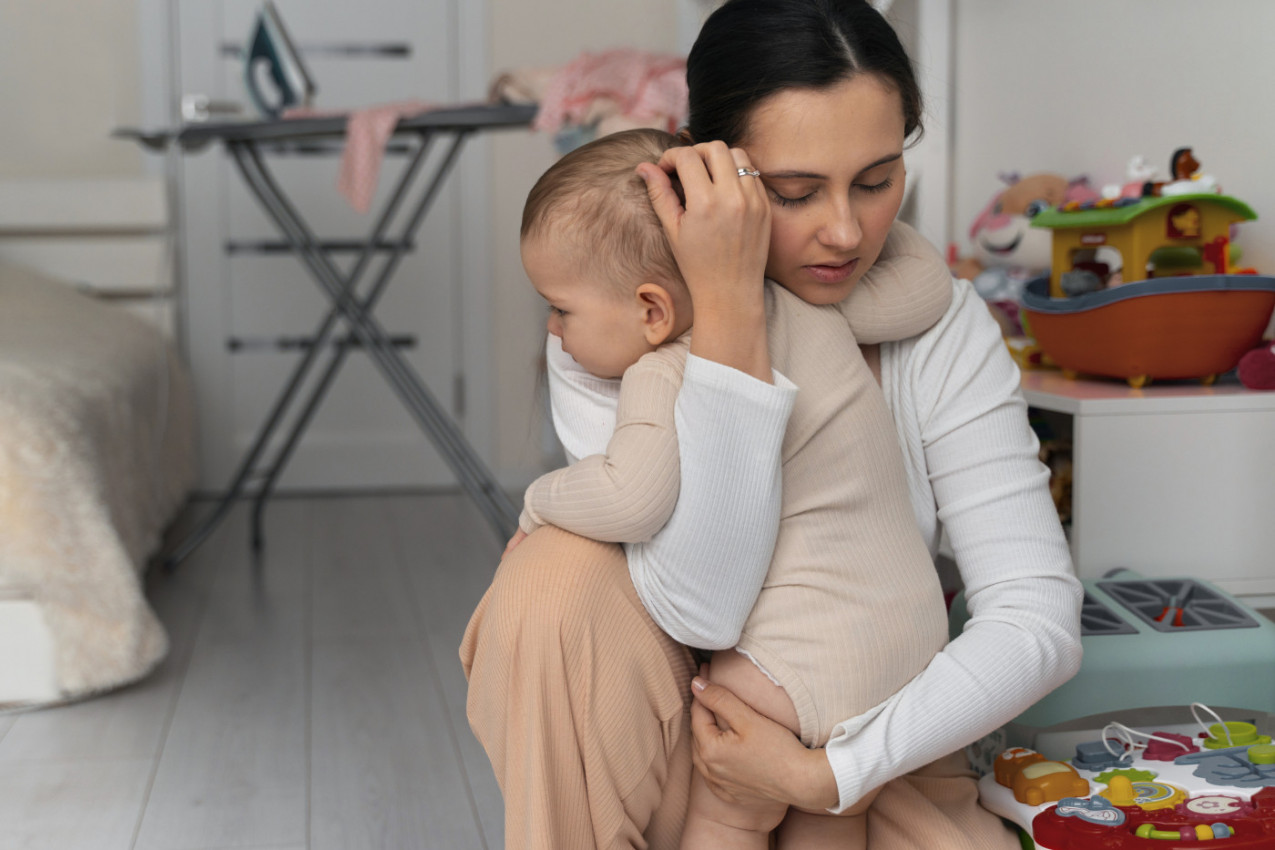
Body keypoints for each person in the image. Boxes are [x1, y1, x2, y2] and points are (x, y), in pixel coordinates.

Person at [461, 1, 1084, 848]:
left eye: (876, 180)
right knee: (550, 582)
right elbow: (701, 611)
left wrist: (829, 774)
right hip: (689, 739)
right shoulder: (613, 326)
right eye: (794, 192)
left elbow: (1034, 619)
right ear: (704, 173)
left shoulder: (935, 325)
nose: (844, 231)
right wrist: (724, 319)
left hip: (868, 737)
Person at [512, 126, 954, 849]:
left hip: (794, 660)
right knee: (827, 808)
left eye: (560, 308)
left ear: (652, 312)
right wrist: (770, 229)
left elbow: (632, 497)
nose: (554, 332)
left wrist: (537, 503)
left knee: (731, 807)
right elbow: (925, 287)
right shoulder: (808, 302)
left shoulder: (661, 371)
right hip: (910, 634)